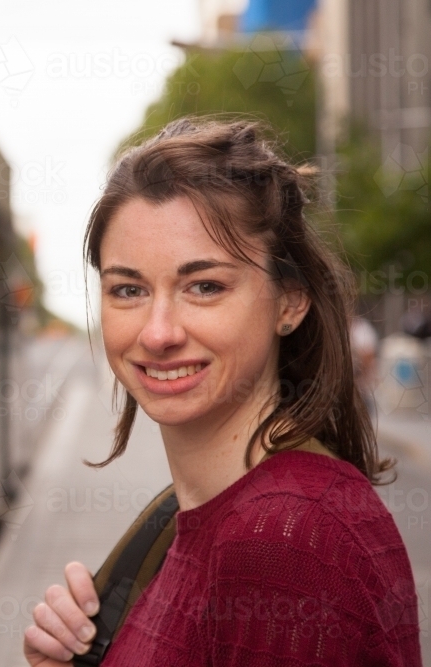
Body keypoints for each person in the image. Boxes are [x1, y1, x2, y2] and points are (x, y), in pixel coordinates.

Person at [22, 119, 421, 666]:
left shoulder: (283, 542)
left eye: (204, 286)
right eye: (128, 289)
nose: (158, 332)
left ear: (291, 301)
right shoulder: (204, 512)